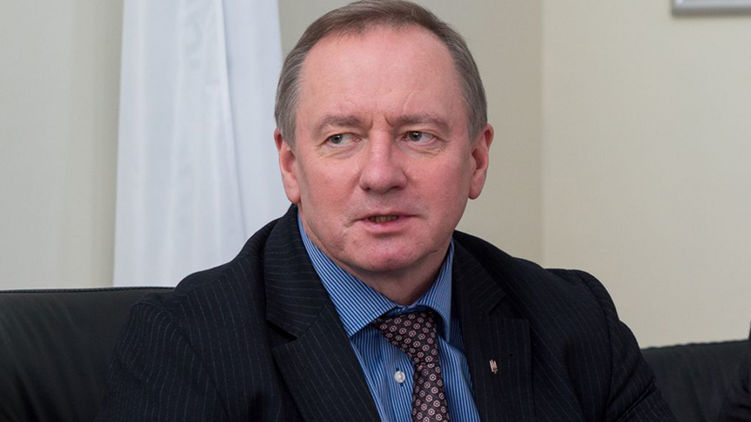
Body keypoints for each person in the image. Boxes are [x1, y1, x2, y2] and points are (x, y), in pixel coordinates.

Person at [97, 1, 676, 420]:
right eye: (341, 138)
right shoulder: (187, 345)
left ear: (477, 160)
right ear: (291, 166)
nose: (380, 174)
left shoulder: (574, 319)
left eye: (418, 135)